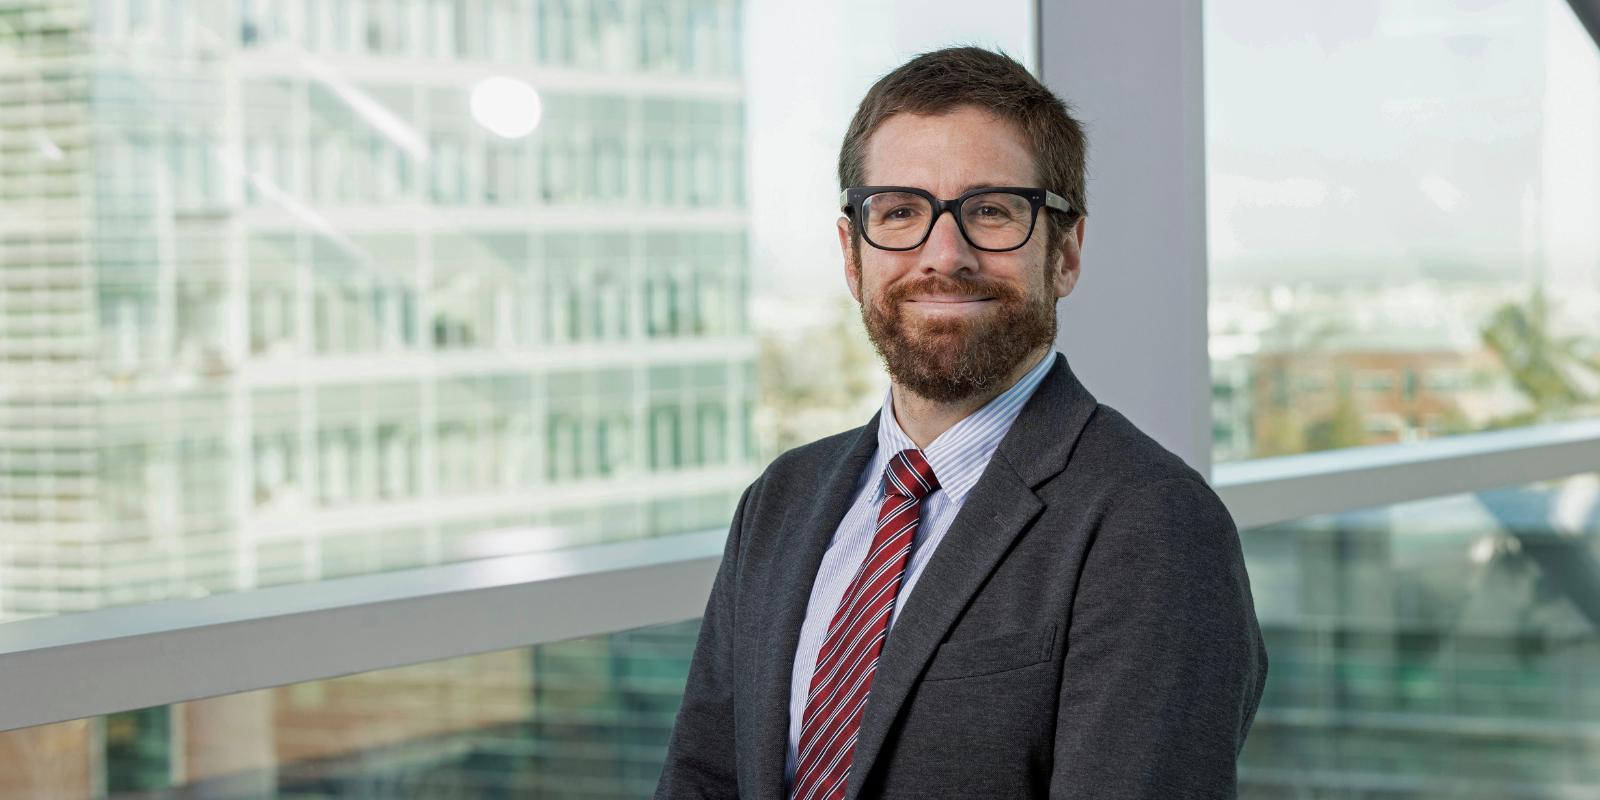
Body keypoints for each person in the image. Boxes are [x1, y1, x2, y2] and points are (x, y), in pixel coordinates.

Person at [656, 47, 1266, 800]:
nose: (944, 256)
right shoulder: (780, 500)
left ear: (1066, 254)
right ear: (852, 255)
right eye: (900, 212)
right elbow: (702, 778)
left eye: (991, 211)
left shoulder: (1154, 524)